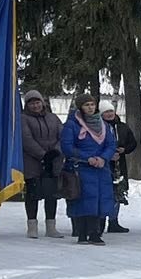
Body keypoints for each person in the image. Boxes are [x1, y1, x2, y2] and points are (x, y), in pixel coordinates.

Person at [60, 94, 119, 245]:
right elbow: (67, 147)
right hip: (81, 168)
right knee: (84, 200)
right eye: (87, 105)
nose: (90, 108)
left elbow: (111, 145)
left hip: (101, 168)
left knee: (99, 199)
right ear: (80, 107)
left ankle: (95, 233)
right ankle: (82, 233)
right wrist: (88, 158)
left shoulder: (104, 125)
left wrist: (103, 158)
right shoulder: (72, 125)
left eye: (92, 105)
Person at [20, 90, 63, 238]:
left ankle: (51, 226)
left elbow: (62, 136)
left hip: (53, 161)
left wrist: (55, 152)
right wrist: (43, 155)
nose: (35, 105)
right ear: (27, 105)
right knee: (33, 194)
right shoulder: (23, 119)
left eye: (37, 102)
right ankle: (32, 225)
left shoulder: (53, 118)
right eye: (32, 103)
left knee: (51, 194)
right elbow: (26, 139)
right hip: (33, 161)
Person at [101, 105, 138, 234]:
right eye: (106, 112)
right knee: (104, 192)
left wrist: (124, 149)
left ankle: (113, 221)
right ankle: (100, 221)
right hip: (103, 163)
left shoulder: (122, 127)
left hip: (119, 163)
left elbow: (132, 143)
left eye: (111, 111)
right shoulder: (98, 127)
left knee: (117, 191)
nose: (109, 114)